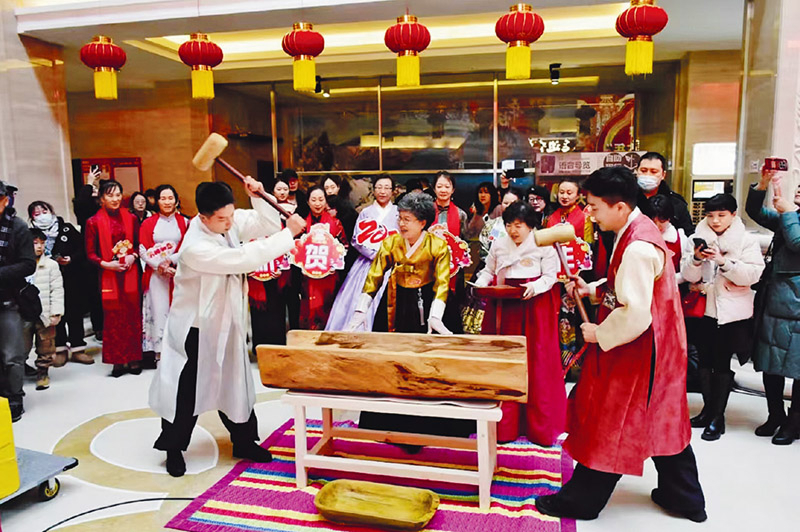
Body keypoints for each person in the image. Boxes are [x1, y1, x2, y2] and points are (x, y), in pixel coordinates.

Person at [536, 166, 706, 523]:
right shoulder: (636, 230)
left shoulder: (638, 247)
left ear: (620, 206)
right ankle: (684, 498)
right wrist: (592, 290)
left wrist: (599, 333)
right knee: (661, 418)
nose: (590, 214)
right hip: (661, 345)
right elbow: (628, 289)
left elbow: (635, 313)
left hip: (640, 348)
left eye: (595, 207)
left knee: (611, 419)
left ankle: (582, 501)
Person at [149, 178, 306, 477]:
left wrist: (258, 195)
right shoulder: (195, 246)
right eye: (222, 218)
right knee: (185, 391)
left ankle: (244, 441)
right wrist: (289, 234)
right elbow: (243, 258)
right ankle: (173, 447)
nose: (230, 222)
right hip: (195, 328)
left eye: (232, 215)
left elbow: (264, 222)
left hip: (227, 321)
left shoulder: (227, 221)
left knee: (235, 382)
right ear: (203, 217)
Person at [349, 191, 472, 442]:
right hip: (397, 303)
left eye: (407, 219)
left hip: (432, 302)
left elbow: (442, 283)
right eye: (400, 218)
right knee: (392, 362)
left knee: (431, 364)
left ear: (422, 222)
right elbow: (374, 276)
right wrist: (361, 310)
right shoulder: (391, 243)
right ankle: (390, 422)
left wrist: (435, 317)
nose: (401, 224)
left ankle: (435, 425)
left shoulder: (437, 245)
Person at [473, 202, 564, 446]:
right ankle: (505, 426)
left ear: (530, 226)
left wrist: (535, 287)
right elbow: (488, 270)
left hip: (533, 306)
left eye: (519, 225)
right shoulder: (499, 244)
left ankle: (539, 428)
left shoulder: (543, 244)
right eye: (509, 225)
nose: (513, 230)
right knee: (504, 361)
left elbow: (550, 277)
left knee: (536, 360)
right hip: (503, 306)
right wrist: (480, 284)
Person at [681, 193, 764, 441]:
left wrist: (723, 262)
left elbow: (752, 275)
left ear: (733, 215)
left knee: (721, 363)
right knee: (704, 361)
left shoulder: (746, 240)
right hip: (702, 310)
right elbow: (688, 275)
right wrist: (696, 259)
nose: (715, 220)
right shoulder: (696, 238)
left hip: (732, 313)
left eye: (721, 215)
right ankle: (708, 411)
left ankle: (717, 417)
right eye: (710, 215)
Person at [747, 170, 800, 444]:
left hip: (795, 306)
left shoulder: (791, 217)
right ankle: (775, 415)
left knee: (798, 368)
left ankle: (794, 423)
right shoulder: (791, 217)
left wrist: (788, 212)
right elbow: (755, 212)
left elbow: (797, 243)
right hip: (774, 300)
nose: (798, 190)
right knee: (770, 362)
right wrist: (764, 184)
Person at [85, 180, 143, 377]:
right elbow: (90, 253)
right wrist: (107, 264)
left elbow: (138, 245)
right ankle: (118, 360)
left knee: (133, 315)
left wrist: (133, 256)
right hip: (108, 274)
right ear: (101, 198)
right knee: (113, 318)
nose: (115, 199)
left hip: (130, 272)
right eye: (110, 195)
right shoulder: (93, 222)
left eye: (118, 194)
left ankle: (134, 358)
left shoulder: (131, 218)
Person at [326, 175, 398, 332]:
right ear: (374, 190)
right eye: (379, 187)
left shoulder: (399, 213)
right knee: (356, 299)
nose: (383, 191)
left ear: (393, 191)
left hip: (391, 264)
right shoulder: (365, 212)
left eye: (387, 188)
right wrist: (374, 255)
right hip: (366, 263)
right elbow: (356, 240)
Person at [27, 201, 92, 365]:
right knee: (55, 315)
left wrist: (71, 259)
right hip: (46, 280)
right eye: (37, 213)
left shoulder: (66, 229)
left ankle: (78, 349)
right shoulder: (30, 234)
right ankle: (60, 349)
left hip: (72, 278)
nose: (42, 215)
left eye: (45, 211)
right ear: (32, 217)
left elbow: (82, 248)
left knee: (74, 312)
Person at [139, 185, 188, 369]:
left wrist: (171, 264)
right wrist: (159, 266)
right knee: (159, 311)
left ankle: (180, 351)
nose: (167, 202)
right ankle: (159, 353)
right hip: (156, 276)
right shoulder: (148, 223)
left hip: (178, 273)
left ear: (176, 200)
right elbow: (142, 249)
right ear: (157, 201)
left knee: (179, 312)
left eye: (170, 198)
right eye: (163, 198)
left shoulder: (185, 222)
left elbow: (188, 247)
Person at [0, 180, 36, 422]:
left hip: (8, 299)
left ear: (4, 201)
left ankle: (14, 398)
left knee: (11, 355)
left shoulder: (17, 227)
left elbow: (28, 264)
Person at [247, 178, 296, 346]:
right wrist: (247, 268)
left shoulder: (279, 224)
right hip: (256, 277)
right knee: (258, 314)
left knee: (277, 312)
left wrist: (282, 268)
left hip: (275, 275)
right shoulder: (249, 222)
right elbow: (244, 248)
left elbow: (286, 247)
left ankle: (277, 345)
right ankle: (259, 346)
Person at [297, 186, 347, 330]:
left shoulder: (335, 223)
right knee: (307, 308)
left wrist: (335, 264)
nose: (317, 203)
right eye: (313, 200)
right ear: (308, 202)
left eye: (321, 199)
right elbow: (294, 249)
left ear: (326, 201)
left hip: (329, 276)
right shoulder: (301, 224)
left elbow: (343, 247)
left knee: (328, 308)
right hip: (306, 276)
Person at [23, 229, 63, 390]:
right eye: (35, 243)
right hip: (23, 312)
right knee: (21, 344)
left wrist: (56, 312)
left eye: (42, 243)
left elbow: (57, 289)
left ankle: (43, 372)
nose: (39, 247)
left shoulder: (51, 265)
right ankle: (21, 368)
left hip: (44, 312)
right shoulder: (19, 265)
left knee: (46, 344)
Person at [433, 171, 468, 333]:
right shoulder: (426, 211)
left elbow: (464, 242)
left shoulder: (461, 214)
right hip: (430, 267)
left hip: (454, 269)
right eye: (439, 186)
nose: (443, 190)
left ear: (453, 190)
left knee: (453, 308)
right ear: (434, 189)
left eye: (447, 186)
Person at [636, 152, 694, 235]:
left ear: (663, 175)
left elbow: (688, 234)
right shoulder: (626, 199)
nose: (648, 175)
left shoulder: (676, 203)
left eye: (653, 172)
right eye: (643, 171)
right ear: (637, 171)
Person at [648, 194, 690, 283]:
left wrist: (669, 280)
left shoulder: (680, 239)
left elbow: (686, 273)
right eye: (653, 221)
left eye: (662, 221)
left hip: (674, 287)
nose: (657, 226)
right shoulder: (639, 238)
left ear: (669, 218)